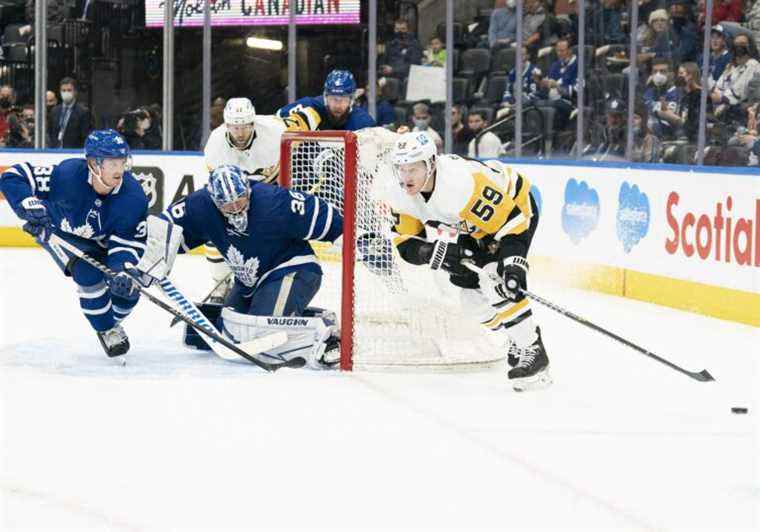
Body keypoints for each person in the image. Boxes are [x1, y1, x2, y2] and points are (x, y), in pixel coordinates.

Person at [383, 131, 551, 391]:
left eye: (413, 169)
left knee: (495, 279)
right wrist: (432, 253)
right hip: (466, 225)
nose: (406, 177)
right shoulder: (397, 192)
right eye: (401, 169)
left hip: (513, 208)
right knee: (472, 302)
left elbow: (512, 223)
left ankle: (533, 351)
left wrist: (513, 264)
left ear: (430, 164)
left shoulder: (460, 184)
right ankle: (517, 337)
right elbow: (405, 244)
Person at [161, 165, 344, 368]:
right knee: (231, 330)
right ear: (214, 201)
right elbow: (162, 228)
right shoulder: (200, 205)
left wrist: (361, 238)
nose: (236, 209)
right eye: (227, 206)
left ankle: (328, 339)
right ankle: (311, 320)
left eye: (240, 201)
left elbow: (328, 218)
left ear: (248, 189)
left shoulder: (273, 200)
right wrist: (143, 259)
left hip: (292, 270)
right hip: (249, 282)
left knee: (262, 334)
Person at [0, 129, 148, 357]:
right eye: (112, 163)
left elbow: (127, 245)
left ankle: (111, 319)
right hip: (63, 236)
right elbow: (15, 175)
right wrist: (27, 203)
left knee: (129, 292)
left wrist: (123, 270)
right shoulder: (67, 174)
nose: (119, 169)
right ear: (94, 164)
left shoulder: (133, 198)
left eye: (122, 161)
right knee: (88, 275)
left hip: (104, 244)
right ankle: (107, 329)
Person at [203, 97, 296, 304]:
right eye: (235, 127)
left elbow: (297, 152)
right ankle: (220, 284)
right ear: (227, 125)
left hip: (272, 187)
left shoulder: (275, 131)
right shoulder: (215, 145)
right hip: (234, 194)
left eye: (244, 126)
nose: (240, 132)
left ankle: (270, 278)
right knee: (215, 231)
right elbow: (220, 187)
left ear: (253, 122)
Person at [277, 70, 376, 131]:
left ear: (352, 100)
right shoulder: (308, 106)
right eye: (333, 98)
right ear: (325, 97)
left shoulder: (364, 123)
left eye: (344, 99)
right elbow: (274, 124)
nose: (338, 104)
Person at [538, 38, 577, 131]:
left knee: (542, 104)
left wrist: (557, 86)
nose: (559, 54)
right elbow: (547, 85)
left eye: (562, 51)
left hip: (568, 103)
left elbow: (575, 93)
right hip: (551, 99)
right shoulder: (555, 65)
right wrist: (541, 83)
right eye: (557, 51)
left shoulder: (578, 65)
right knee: (532, 101)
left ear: (570, 50)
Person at [48, 77, 92, 149]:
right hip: (55, 151)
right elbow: (50, 132)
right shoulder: (54, 111)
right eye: (63, 90)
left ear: (75, 92)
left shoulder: (83, 112)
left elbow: (85, 136)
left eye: (69, 90)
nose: (66, 93)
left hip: (73, 152)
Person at [643, 58, 681, 140]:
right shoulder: (649, 91)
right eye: (655, 71)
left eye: (662, 71)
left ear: (672, 74)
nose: (658, 75)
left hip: (670, 138)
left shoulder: (677, 93)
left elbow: (669, 115)